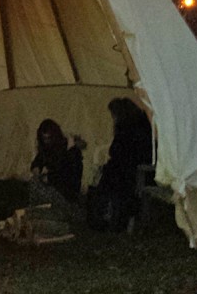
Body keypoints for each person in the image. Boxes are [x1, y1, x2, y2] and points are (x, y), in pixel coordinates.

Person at [87, 97, 153, 232]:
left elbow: (116, 151)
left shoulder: (126, 129)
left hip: (131, 173)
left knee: (108, 182)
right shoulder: (144, 124)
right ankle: (108, 217)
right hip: (135, 171)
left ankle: (105, 217)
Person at [30, 119, 86, 203]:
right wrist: (36, 168)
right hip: (55, 187)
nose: (46, 141)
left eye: (48, 138)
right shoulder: (48, 148)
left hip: (67, 194)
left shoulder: (71, 152)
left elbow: (68, 177)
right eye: (44, 139)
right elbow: (39, 160)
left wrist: (50, 178)